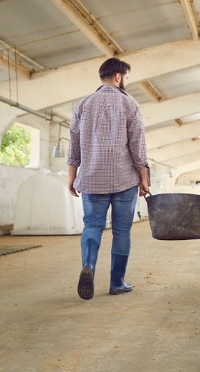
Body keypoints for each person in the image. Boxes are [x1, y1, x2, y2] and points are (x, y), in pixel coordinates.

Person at [67, 57, 149, 301]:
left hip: (92, 178)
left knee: (93, 225)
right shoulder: (130, 104)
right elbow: (137, 144)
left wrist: (72, 177)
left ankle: (89, 266)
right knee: (122, 231)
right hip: (124, 178)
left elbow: (74, 145)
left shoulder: (82, 105)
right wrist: (144, 177)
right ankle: (117, 282)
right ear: (118, 77)